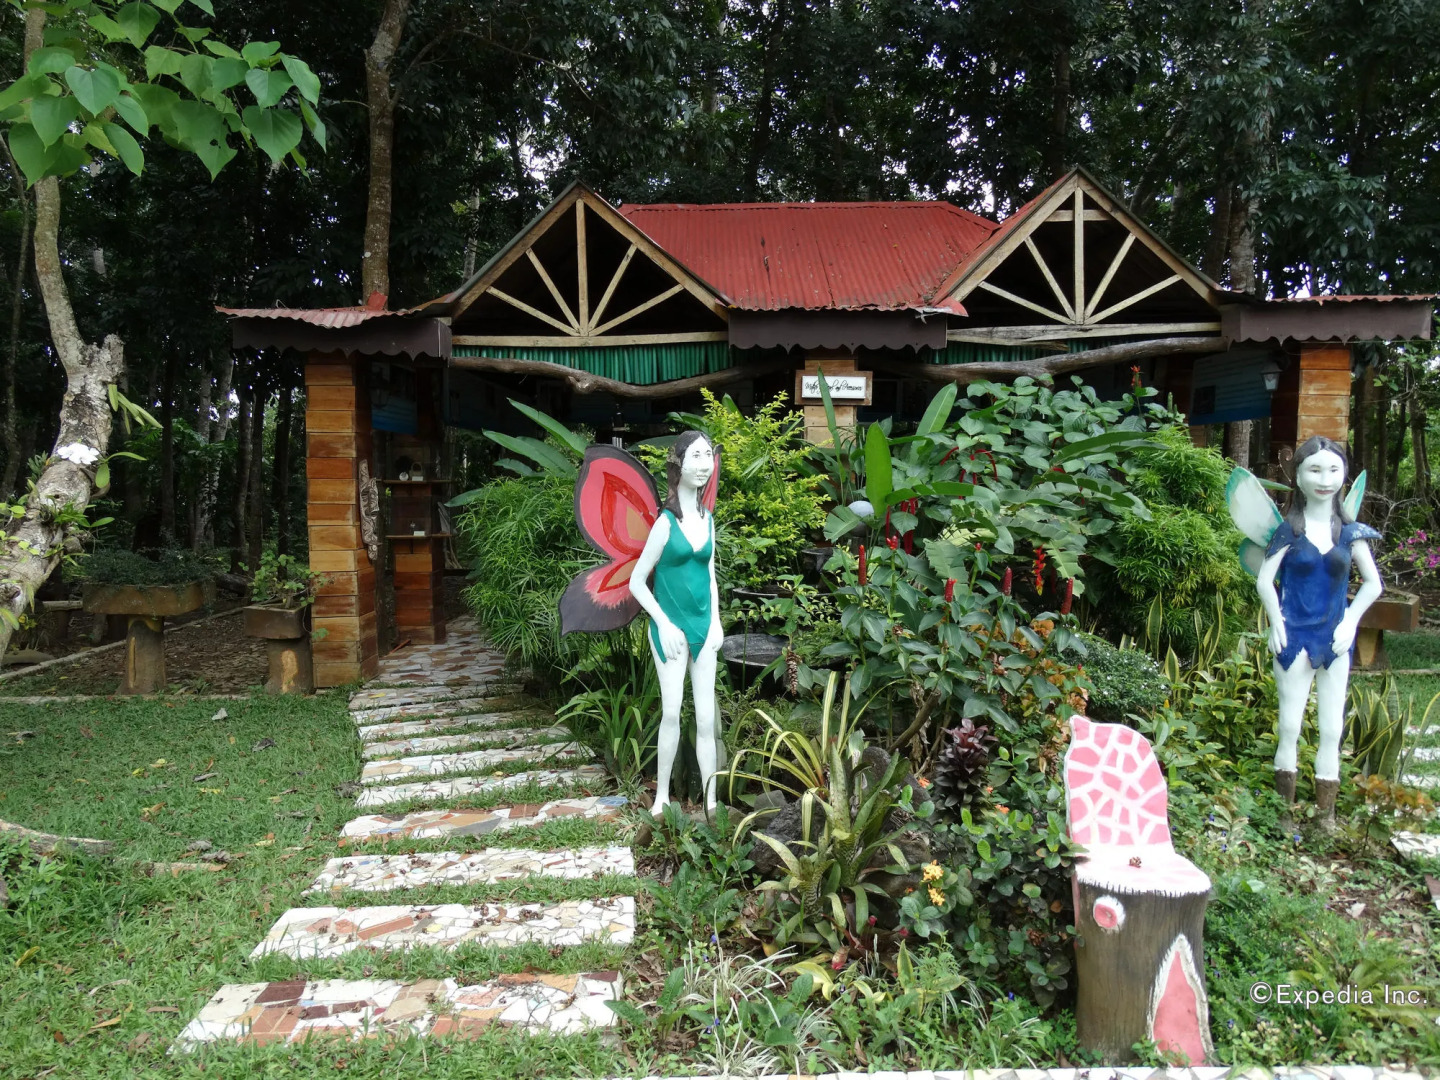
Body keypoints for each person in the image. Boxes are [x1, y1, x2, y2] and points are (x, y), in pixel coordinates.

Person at [1254, 436, 1382, 828]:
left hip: (1335, 639)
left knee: (1332, 727)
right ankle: (1284, 814)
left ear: (1344, 474)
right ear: (1298, 475)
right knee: (1290, 724)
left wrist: (1351, 621)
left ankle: (1326, 815)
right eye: (1314, 469)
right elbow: (1264, 581)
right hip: (1293, 639)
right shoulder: (1287, 532)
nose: (1324, 479)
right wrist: (1276, 621)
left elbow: (1373, 584)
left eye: (1333, 469)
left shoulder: (1350, 532)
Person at [628, 431, 723, 817]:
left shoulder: (709, 519)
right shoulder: (666, 523)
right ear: (678, 465)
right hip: (670, 631)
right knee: (671, 713)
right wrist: (663, 624)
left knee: (705, 718)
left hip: (704, 628)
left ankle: (712, 801)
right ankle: (662, 796)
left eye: (708, 456)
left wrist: (716, 623)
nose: (703, 464)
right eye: (695, 456)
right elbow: (637, 581)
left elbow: (712, 575)